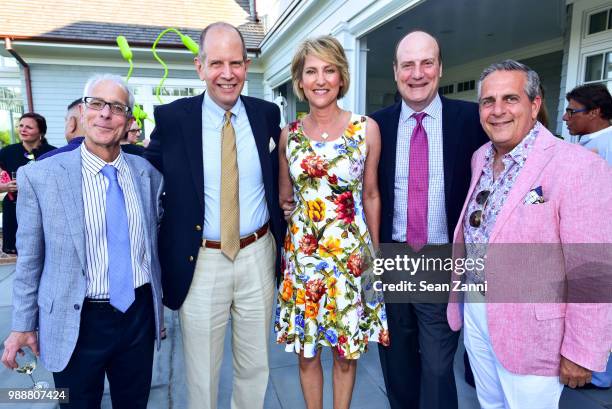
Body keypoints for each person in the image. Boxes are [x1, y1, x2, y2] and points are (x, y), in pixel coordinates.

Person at [447, 60, 612, 409]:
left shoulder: (578, 166)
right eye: (488, 101)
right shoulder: (480, 157)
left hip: (534, 330)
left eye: (510, 98)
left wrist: (583, 350)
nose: (498, 111)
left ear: (534, 105)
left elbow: (594, 269)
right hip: (478, 310)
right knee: (489, 403)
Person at [1, 74, 165, 409]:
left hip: (137, 317)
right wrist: (22, 325)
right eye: (96, 104)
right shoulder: (42, 176)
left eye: (116, 107)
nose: (105, 113)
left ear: (129, 120)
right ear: (83, 110)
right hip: (74, 319)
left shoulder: (146, 175)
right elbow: (30, 258)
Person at [144, 22, 283, 409]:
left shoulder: (266, 114)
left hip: (258, 253)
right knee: (202, 372)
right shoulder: (173, 119)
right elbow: (143, 171)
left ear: (246, 66)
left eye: (236, 63)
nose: (227, 73)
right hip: (201, 259)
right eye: (217, 62)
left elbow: (281, 176)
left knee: (256, 366)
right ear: (199, 66)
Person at [370, 31, 488, 409]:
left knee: (438, 367)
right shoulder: (375, 127)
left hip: (443, 261)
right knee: (398, 362)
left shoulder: (471, 119)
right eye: (408, 64)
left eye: (426, 63)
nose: (417, 73)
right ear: (395, 71)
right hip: (393, 258)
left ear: (439, 68)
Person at [274, 35, 388, 409]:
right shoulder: (288, 135)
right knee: (306, 353)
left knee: (345, 351)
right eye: (311, 71)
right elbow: (285, 197)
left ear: (341, 77)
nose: (320, 79)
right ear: (300, 80)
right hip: (304, 261)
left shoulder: (365, 129)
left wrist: (377, 254)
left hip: (351, 259)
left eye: (329, 70)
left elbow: (370, 193)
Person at [0, 113, 56, 254]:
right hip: (14, 211)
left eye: (29, 127)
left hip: (45, 211)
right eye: (21, 126)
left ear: (41, 132)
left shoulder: (54, 153)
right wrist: (4, 187)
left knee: (46, 252)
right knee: (21, 256)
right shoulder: (7, 152)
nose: (23, 130)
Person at [563, 83, 612, 165]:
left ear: (593, 113)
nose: (565, 117)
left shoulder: (607, 148)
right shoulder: (596, 142)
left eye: (571, 112)